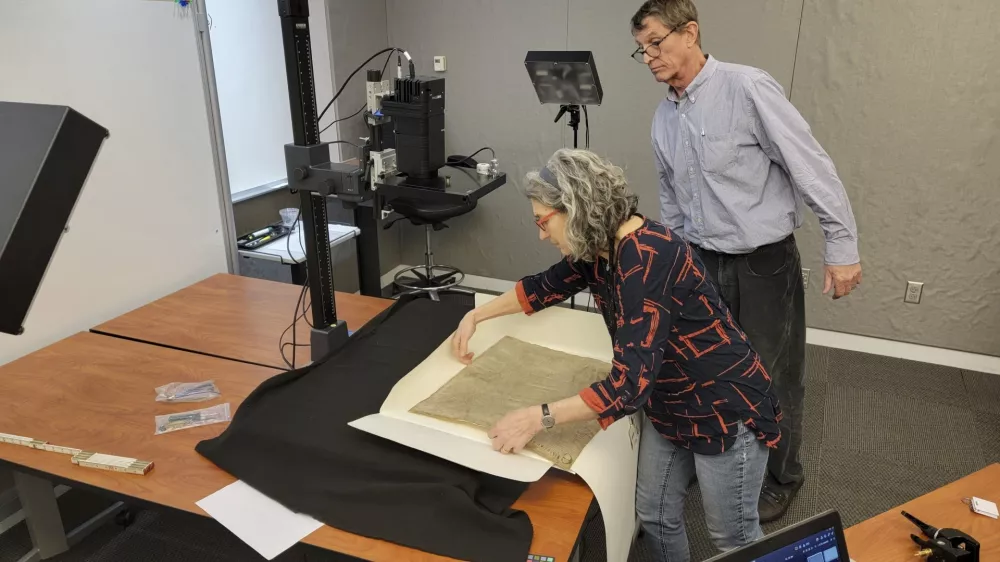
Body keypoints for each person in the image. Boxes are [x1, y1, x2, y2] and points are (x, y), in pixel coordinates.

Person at [451, 148, 781, 562]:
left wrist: (539, 417)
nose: (541, 234)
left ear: (576, 209)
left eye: (543, 221)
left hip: (722, 408)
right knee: (655, 516)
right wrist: (477, 316)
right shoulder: (598, 250)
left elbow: (628, 386)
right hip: (670, 401)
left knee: (733, 540)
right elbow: (542, 287)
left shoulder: (644, 257)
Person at [630, 0, 863, 521]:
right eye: (640, 49)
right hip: (701, 262)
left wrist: (841, 245)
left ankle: (781, 478)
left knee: (770, 376)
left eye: (656, 43)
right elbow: (672, 199)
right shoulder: (664, 117)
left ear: (689, 32)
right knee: (704, 367)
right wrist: (675, 263)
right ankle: (714, 460)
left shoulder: (747, 87)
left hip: (762, 263)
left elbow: (810, 167)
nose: (648, 56)